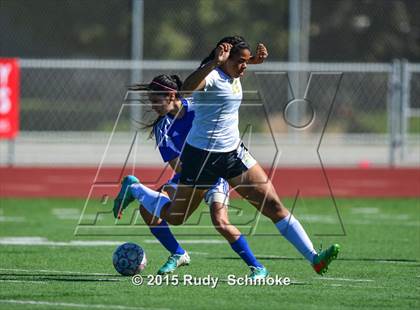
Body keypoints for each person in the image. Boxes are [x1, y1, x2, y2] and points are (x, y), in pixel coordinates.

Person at [116, 36, 340, 275]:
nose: (244, 67)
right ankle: (136, 190)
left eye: (245, 62)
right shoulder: (210, 76)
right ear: (224, 59)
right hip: (200, 158)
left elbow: (232, 72)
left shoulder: (233, 73)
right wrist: (214, 63)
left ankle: (314, 258)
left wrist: (250, 61)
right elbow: (186, 89)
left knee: (273, 205)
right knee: (175, 217)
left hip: (233, 153)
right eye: (240, 62)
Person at [115, 73, 267, 278]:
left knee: (220, 221)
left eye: (155, 101)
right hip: (187, 176)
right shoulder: (162, 128)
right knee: (148, 210)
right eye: (150, 102)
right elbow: (177, 167)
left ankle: (257, 267)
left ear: (170, 95)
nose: (152, 106)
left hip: (214, 174)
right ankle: (177, 253)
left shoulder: (200, 108)